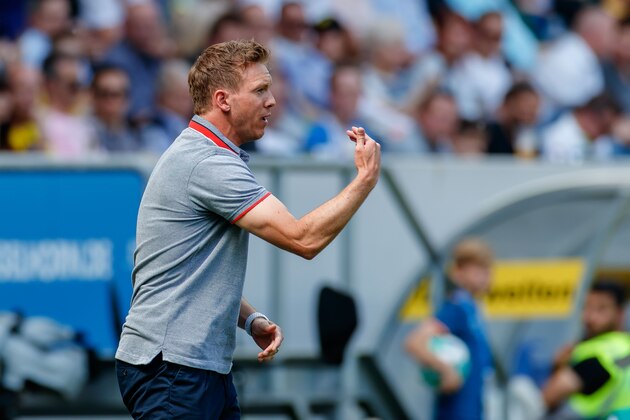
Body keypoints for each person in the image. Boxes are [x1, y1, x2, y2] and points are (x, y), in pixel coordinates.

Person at [115, 39, 381, 419]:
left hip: (192, 368)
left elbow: (186, 271)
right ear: (223, 100)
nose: (271, 101)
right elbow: (303, 239)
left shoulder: (207, 156)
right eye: (259, 91)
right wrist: (365, 180)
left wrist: (249, 318)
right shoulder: (208, 163)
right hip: (173, 369)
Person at [405, 237, 495, 420]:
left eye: (487, 269)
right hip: (455, 412)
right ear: (458, 272)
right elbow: (414, 342)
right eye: (478, 269)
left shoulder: (472, 309)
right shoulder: (457, 307)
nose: (485, 275)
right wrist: (446, 370)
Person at [542, 281, 630, 419]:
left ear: (619, 314)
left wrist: (557, 368)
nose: (590, 317)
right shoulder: (625, 347)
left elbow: (548, 397)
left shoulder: (601, 353)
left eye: (601, 309)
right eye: (586, 307)